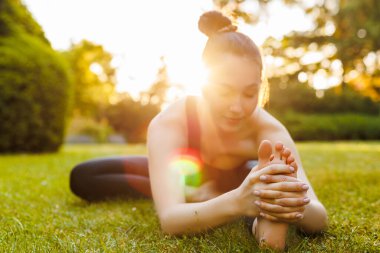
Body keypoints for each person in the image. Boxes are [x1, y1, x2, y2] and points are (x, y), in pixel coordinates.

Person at [70, 11, 328, 250]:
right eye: (224, 91)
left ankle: (257, 218)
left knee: (261, 177)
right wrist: (235, 201)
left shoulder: (269, 130)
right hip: (183, 171)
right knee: (85, 176)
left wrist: (288, 200)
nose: (237, 106)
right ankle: (195, 193)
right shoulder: (170, 122)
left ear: (260, 87)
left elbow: (319, 217)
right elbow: (171, 221)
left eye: (250, 93)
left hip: (243, 179)